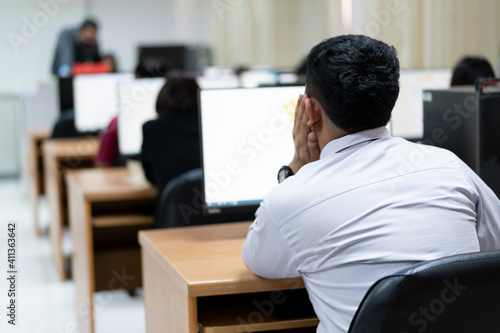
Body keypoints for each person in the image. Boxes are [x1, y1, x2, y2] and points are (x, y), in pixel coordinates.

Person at [241, 35, 500, 333]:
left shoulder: (291, 199)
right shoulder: (449, 165)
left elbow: (258, 260)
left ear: (309, 112)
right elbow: (492, 252)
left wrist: (295, 168)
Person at [140, 75, 201, 196]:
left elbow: (150, 176)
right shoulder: (211, 127)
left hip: (171, 211)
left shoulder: (152, 129)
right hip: (215, 210)